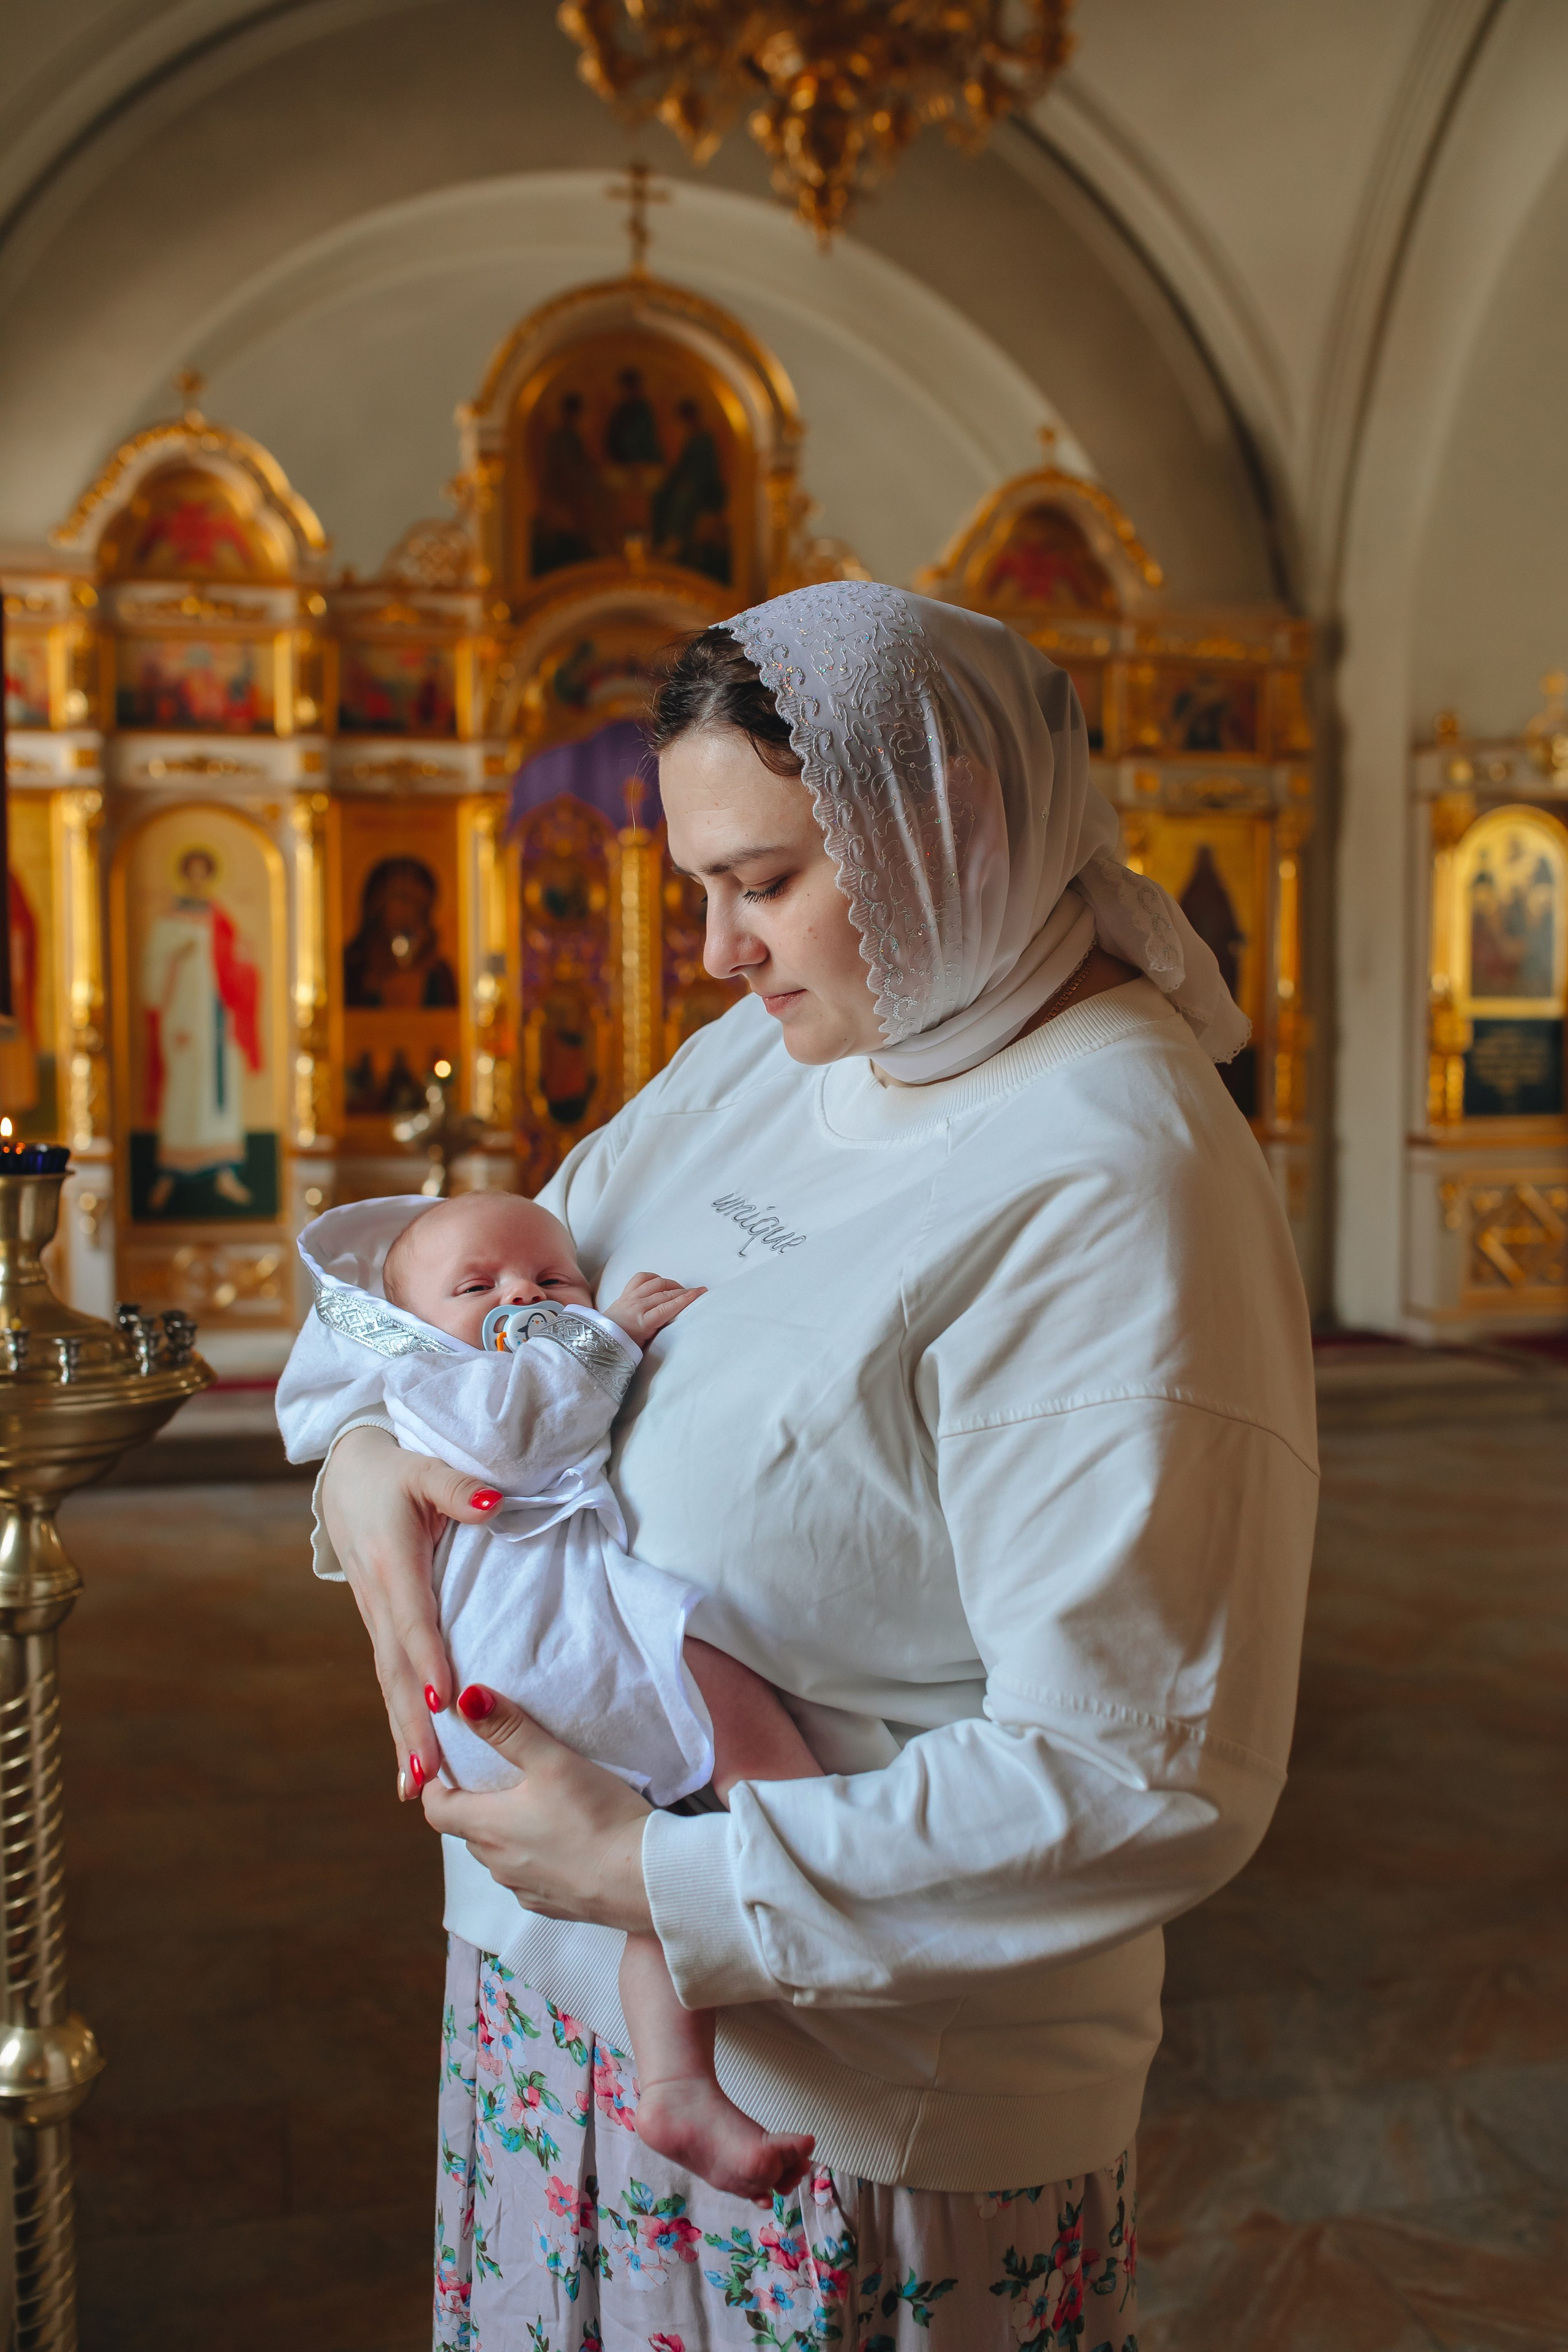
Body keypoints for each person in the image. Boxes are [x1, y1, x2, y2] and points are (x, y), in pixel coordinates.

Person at [315, 581, 1317, 2349]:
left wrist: (654, 1881)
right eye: (703, 884)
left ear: (955, 823)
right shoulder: (774, 1053)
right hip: (566, 2013)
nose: (718, 951)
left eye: (766, 881)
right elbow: (464, 1310)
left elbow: (1142, 1772)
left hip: (843, 2116)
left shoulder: (1116, 1175)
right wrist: (362, 1459)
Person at [277, 1189, 821, 2201]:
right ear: (408, 1323)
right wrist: (603, 1333)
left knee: (661, 1880)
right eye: (477, 1286)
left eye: (551, 1278)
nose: (522, 1294)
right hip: (535, 1660)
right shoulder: (443, 1382)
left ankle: (676, 2085)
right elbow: (520, 1440)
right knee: (727, 1709)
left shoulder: (478, 1358)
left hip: (521, 1675)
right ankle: (805, 1835)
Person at [140, 845, 262, 1213]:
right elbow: (153, 973)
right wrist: (178, 952)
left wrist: (244, 962)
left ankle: (225, 1173)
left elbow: (237, 965)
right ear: (184, 875)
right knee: (183, 1093)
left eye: (203, 872)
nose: (198, 879)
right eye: (191, 872)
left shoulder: (220, 919)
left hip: (218, 1023)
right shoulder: (169, 921)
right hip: (184, 1023)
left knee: (219, 1100)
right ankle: (169, 1174)